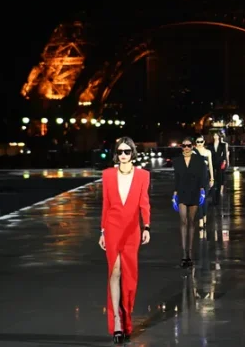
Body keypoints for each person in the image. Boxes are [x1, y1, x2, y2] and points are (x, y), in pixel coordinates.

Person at [98, 137, 151, 344]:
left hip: (132, 230)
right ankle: (117, 321)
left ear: (133, 153)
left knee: (130, 277)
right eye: (120, 151)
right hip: (112, 228)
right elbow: (106, 204)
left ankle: (127, 318)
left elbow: (144, 203)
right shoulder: (108, 175)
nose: (123, 155)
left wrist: (146, 226)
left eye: (127, 151)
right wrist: (102, 231)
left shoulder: (143, 176)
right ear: (116, 154)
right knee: (115, 270)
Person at [173, 136, 209, 268]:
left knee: (192, 221)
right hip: (182, 192)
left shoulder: (199, 160)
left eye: (189, 145)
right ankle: (184, 255)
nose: (187, 148)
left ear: (193, 146)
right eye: (184, 146)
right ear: (181, 147)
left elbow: (203, 177)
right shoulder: (176, 161)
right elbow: (176, 178)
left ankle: (190, 254)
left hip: (194, 192)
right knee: (183, 221)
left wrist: (202, 191)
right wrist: (175, 193)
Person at [194, 135, 214, 229]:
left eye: (201, 142)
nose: (199, 144)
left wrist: (212, 178)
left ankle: (205, 215)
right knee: (199, 199)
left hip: (205, 178)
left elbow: (210, 166)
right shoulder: (193, 152)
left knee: (205, 199)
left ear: (204, 142)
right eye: (197, 142)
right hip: (196, 178)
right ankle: (201, 219)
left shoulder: (208, 152)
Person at [210, 131, 229, 201]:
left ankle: (220, 190)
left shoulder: (222, 145)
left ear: (219, 136)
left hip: (220, 162)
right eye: (214, 135)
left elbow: (224, 154)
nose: (215, 136)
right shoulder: (210, 144)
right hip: (212, 162)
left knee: (220, 176)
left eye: (216, 135)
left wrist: (224, 161)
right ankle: (212, 189)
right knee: (212, 175)